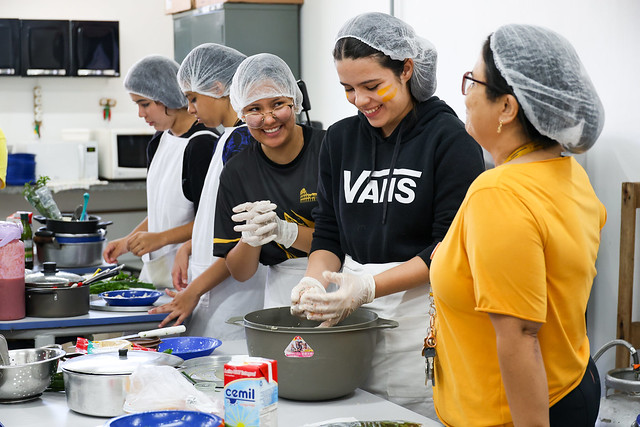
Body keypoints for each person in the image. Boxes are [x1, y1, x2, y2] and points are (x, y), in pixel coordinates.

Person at [290, 12, 485, 418]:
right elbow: (329, 232)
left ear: (406, 71)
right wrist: (313, 280)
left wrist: (367, 287)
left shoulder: (450, 140)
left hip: (423, 314)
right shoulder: (340, 140)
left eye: (373, 85)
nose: (361, 101)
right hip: (353, 316)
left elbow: (448, 247)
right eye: (348, 89)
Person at [429, 24, 606, 426]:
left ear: (507, 108)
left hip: (519, 412)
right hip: (573, 383)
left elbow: (520, 335)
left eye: (473, 81)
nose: (467, 94)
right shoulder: (568, 173)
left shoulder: (498, 192)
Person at [149, 43, 266, 339]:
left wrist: (194, 290)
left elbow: (245, 239)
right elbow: (215, 215)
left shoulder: (243, 143)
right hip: (211, 286)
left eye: (193, 98)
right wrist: (189, 247)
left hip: (234, 295)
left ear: (217, 88)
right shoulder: (227, 138)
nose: (189, 109)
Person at [213, 53, 326, 308]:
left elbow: (347, 239)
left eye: (277, 104)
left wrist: (284, 231)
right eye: (255, 109)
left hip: (338, 283)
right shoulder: (237, 172)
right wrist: (250, 239)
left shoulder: (331, 150)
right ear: (241, 113)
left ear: (295, 101)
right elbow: (241, 272)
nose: (269, 118)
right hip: (280, 296)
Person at [102, 55, 217, 288]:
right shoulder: (159, 141)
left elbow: (212, 221)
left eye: (144, 104)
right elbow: (162, 211)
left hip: (192, 272)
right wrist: (128, 241)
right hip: (157, 270)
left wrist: (160, 239)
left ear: (167, 96)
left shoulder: (202, 145)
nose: (140, 114)